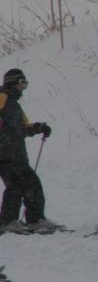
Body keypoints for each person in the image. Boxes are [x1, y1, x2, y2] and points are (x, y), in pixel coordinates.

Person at [0, 68, 59, 234]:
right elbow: (12, 128)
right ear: (12, 82)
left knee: (19, 186)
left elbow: (22, 127)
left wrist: (38, 127)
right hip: (6, 154)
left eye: (25, 84)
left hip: (14, 154)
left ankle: (17, 221)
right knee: (27, 184)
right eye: (22, 83)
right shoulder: (3, 99)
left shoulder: (13, 104)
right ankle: (28, 221)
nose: (23, 88)